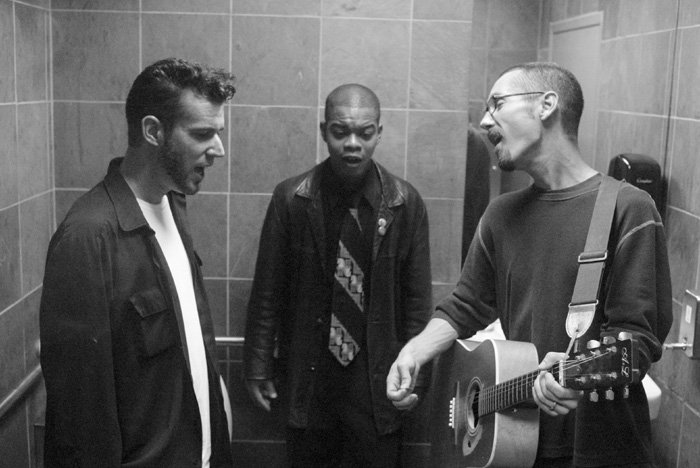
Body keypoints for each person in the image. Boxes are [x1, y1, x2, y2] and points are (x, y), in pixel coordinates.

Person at [387, 62, 673, 467]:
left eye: (497, 104)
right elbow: (465, 305)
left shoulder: (627, 209)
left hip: (600, 451)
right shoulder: (500, 215)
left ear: (546, 105)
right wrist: (415, 352)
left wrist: (576, 375)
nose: (485, 121)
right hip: (518, 445)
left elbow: (637, 342)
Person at [40, 58, 237, 467]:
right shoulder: (88, 238)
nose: (219, 149)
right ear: (153, 131)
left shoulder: (172, 203)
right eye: (203, 134)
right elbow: (79, 422)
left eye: (218, 133)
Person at [243, 83, 433, 467]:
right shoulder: (291, 199)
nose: (352, 144)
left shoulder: (404, 203)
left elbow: (417, 302)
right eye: (340, 131)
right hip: (310, 377)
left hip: (377, 380)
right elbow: (267, 292)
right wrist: (257, 366)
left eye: (364, 133)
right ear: (323, 131)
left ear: (379, 133)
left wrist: (418, 375)